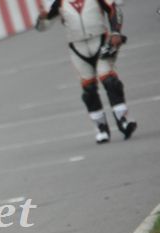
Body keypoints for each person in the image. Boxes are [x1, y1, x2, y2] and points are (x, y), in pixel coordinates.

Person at [36, 0, 137, 144]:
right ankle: (101, 127)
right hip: (77, 49)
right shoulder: (58, 2)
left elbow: (114, 10)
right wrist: (42, 18)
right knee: (89, 89)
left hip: (101, 42)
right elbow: (43, 26)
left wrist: (116, 32)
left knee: (110, 81)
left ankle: (123, 119)